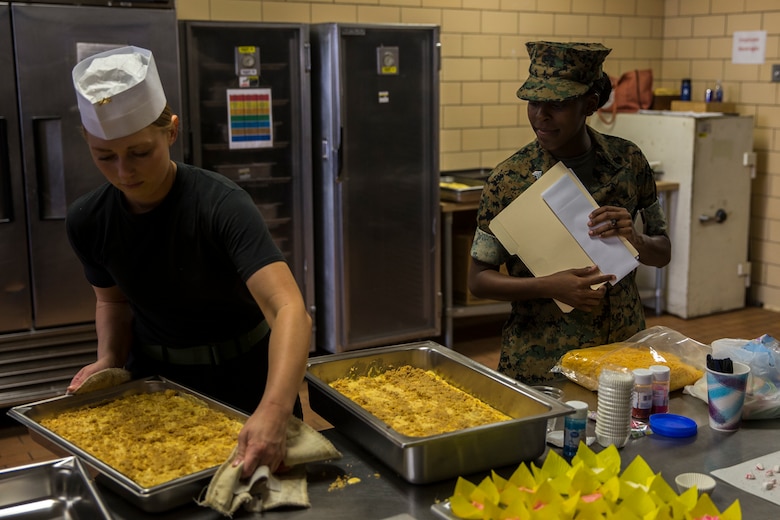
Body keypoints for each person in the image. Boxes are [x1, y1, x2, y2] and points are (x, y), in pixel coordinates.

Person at [65, 46, 312, 478]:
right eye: (105, 156)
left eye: (140, 152)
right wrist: (109, 358)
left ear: (171, 132)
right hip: (156, 389)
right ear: (88, 142)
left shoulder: (221, 205)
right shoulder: (89, 220)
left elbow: (287, 308)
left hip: (245, 382)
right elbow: (113, 302)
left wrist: (273, 411)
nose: (124, 171)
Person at [468, 41, 671, 385]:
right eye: (533, 102)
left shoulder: (628, 162)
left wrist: (635, 238)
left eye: (557, 104)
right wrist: (550, 286)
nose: (541, 116)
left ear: (589, 104)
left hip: (621, 351)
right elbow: (478, 280)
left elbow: (663, 252)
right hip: (543, 361)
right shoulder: (509, 180)